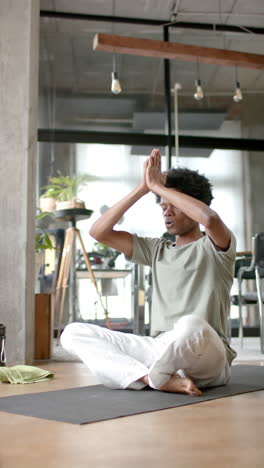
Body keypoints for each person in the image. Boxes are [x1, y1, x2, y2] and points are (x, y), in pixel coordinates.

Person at [61, 148, 237, 396]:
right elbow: (99, 232)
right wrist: (144, 188)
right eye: (163, 205)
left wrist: (161, 186)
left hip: (206, 350)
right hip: (160, 347)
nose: (166, 210)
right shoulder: (156, 249)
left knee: (190, 324)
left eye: (173, 204)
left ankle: (156, 373)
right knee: (73, 333)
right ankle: (151, 377)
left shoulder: (216, 247)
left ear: (194, 204)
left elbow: (209, 220)